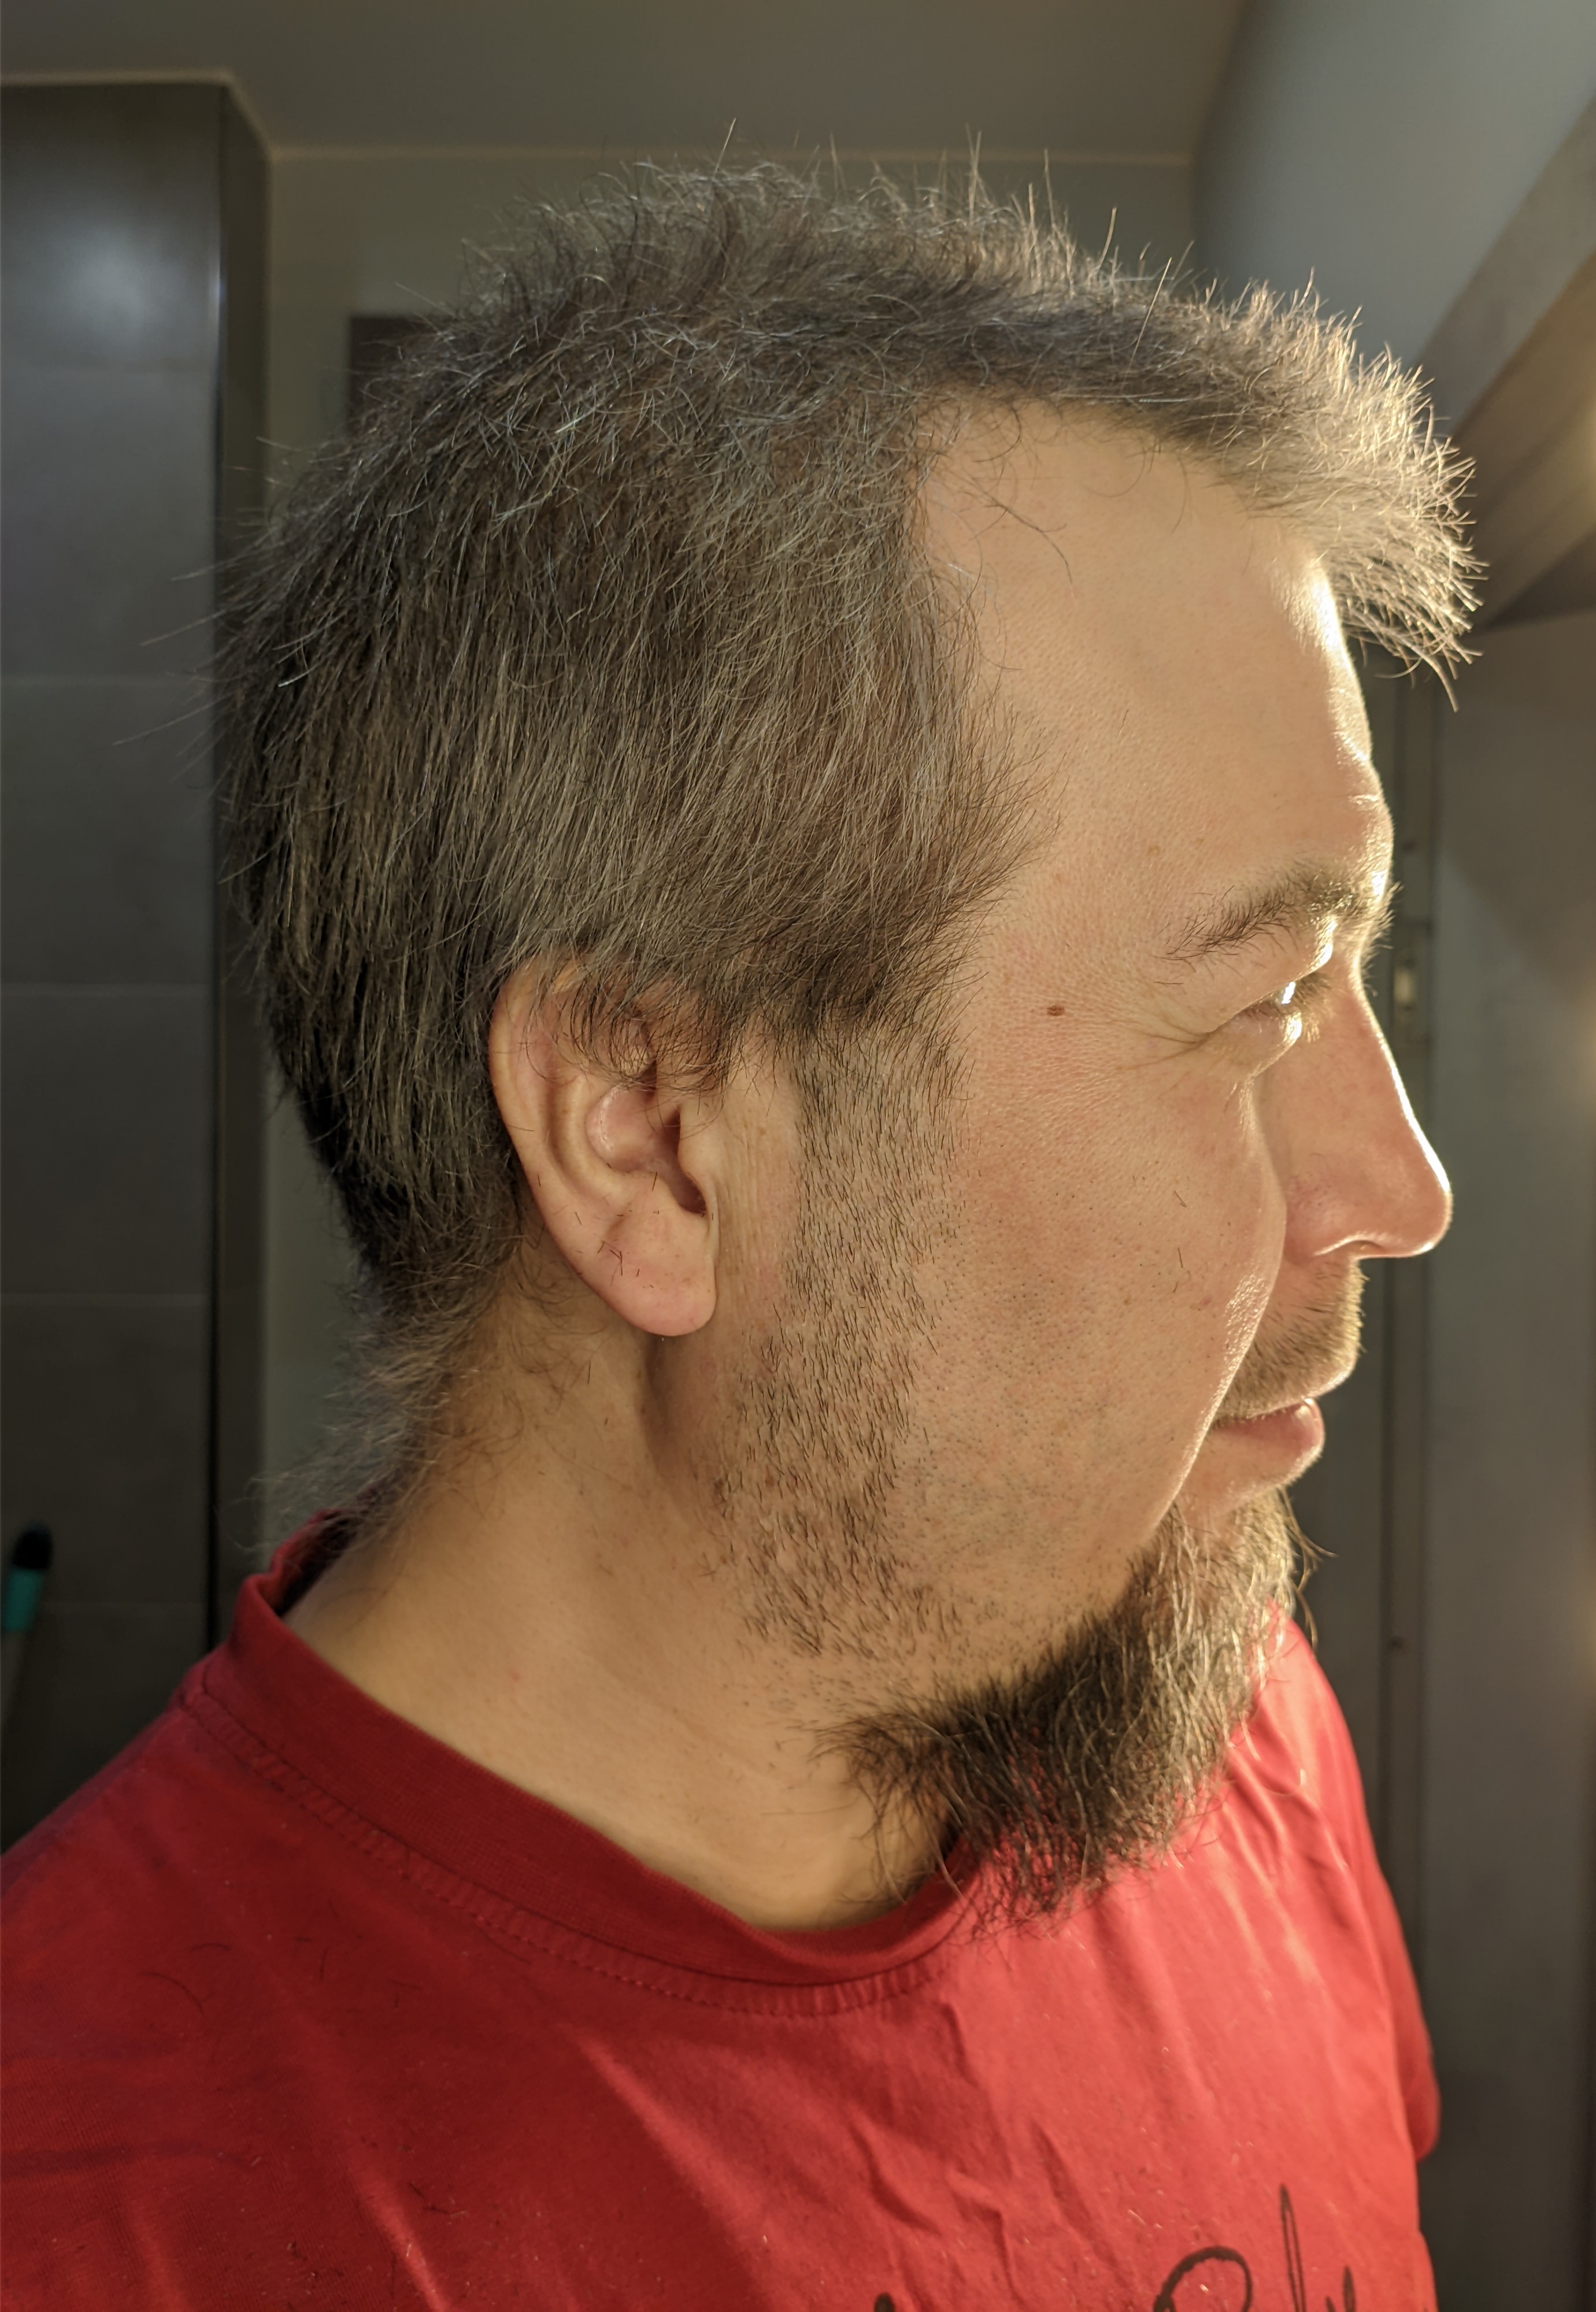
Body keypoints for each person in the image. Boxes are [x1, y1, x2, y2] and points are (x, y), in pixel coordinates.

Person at [3, 166, 1472, 2308]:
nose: (1402, 1189)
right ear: (653, 1133)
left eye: (1361, 969)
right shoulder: (102, 2225)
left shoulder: (1219, 1718)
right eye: (1262, 999)